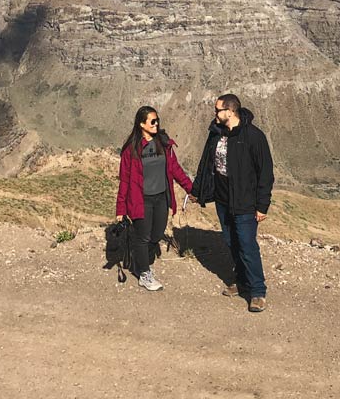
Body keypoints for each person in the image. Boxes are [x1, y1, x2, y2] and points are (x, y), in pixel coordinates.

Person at [191, 93, 274, 313]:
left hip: (245, 202)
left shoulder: (253, 136)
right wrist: (197, 191)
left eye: (218, 110)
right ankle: (242, 281)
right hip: (223, 199)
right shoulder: (216, 133)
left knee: (247, 245)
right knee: (231, 242)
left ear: (230, 111)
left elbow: (265, 172)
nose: (215, 114)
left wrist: (262, 205)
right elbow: (205, 164)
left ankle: (257, 291)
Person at [116, 105, 193, 291]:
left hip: (161, 198)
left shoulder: (163, 143)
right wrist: (120, 210)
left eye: (157, 120)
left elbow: (174, 169)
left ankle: (138, 259)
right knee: (143, 237)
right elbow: (124, 181)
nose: (156, 124)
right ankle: (144, 273)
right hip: (141, 200)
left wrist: (191, 189)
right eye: (152, 121)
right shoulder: (131, 150)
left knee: (156, 235)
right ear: (141, 124)